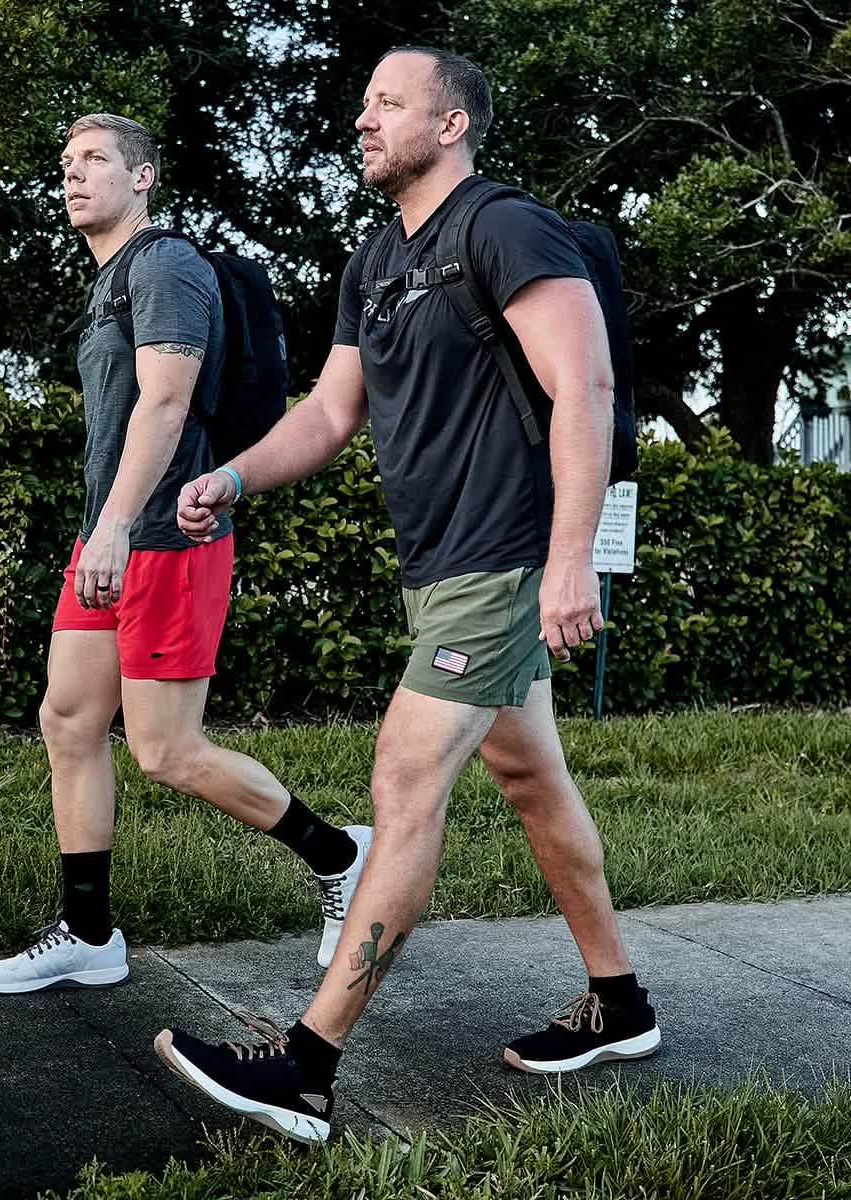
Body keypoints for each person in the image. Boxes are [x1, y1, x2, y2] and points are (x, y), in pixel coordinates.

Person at [155, 48, 660, 1143]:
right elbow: (333, 414)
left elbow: (586, 384)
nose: (365, 118)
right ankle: (621, 1004)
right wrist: (234, 474)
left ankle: (305, 1067)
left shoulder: (504, 226)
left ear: (453, 123)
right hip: (440, 566)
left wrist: (568, 558)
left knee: (402, 778)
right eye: (366, 102)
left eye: (390, 102)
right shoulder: (377, 259)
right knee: (530, 774)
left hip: (505, 554)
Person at [0, 113, 372, 995]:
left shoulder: (164, 267)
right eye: (66, 162)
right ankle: (88, 933)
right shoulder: (110, 278)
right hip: (107, 536)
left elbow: (165, 404)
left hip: (161, 541)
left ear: (143, 177)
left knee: (166, 751)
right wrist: (99, 529)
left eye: (95, 161)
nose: (73, 176)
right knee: (68, 721)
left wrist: (113, 525)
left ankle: (341, 853)